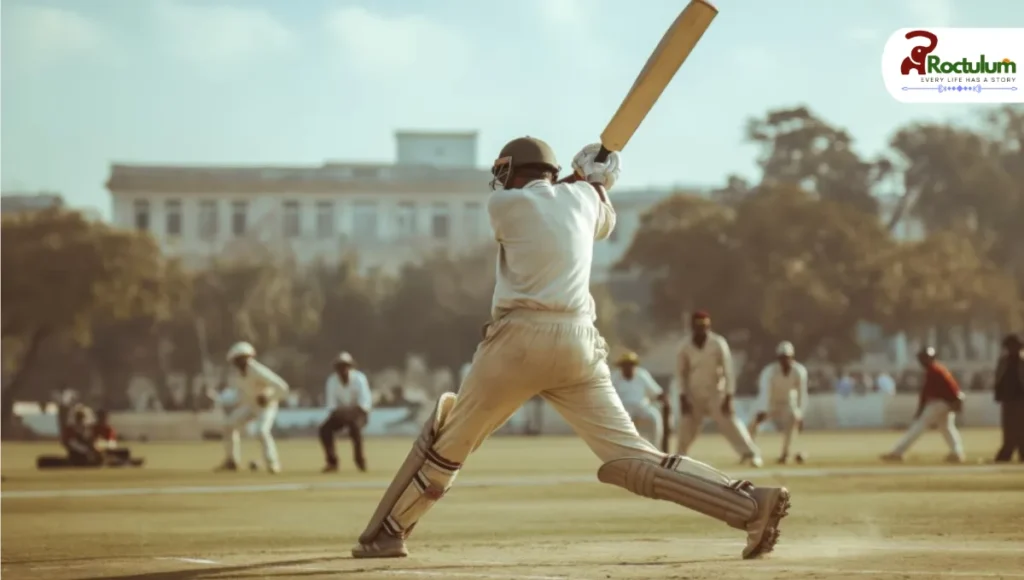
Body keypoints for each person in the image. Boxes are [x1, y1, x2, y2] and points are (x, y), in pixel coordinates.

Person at [349, 138, 789, 561]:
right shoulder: (585, 200)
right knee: (633, 456)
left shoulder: (503, 205)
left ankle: (390, 532)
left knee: (450, 445)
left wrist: (583, 177)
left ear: (511, 172)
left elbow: (543, 205)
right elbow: (597, 216)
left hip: (517, 342)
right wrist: (591, 180)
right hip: (579, 342)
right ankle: (751, 505)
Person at [676, 311, 763, 467]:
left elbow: (728, 371)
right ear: (692, 326)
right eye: (698, 326)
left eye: (704, 326)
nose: (701, 329)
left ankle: (751, 453)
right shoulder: (684, 346)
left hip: (716, 392)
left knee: (729, 423)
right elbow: (680, 374)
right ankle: (679, 458)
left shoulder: (718, 343)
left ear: (709, 326)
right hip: (693, 393)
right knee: (687, 426)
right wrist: (683, 397)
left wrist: (728, 397)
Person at [215, 341, 290, 474]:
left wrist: (268, 397)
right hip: (250, 406)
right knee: (228, 425)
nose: (240, 362)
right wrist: (219, 399)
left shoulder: (258, 371)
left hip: (267, 407)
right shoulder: (238, 375)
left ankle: (273, 463)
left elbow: (282, 388)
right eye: (237, 360)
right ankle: (231, 461)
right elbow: (239, 395)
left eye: (243, 358)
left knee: (261, 431)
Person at [882, 347, 965, 463]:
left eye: (925, 358)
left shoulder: (934, 371)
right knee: (947, 428)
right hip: (946, 403)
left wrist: (919, 411)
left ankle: (897, 452)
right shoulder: (938, 369)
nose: (923, 361)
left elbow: (926, 395)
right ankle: (957, 453)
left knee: (918, 427)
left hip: (940, 403)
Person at [749, 342, 808, 464]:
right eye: (782, 358)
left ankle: (785, 454)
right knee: (752, 424)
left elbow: (802, 394)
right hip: (771, 403)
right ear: (778, 358)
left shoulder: (799, 371)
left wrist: (800, 414)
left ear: (792, 357)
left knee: (793, 419)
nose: (785, 361)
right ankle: (751, 452)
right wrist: (763, 410)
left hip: (788, 402)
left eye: (787, 357)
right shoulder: (769, 371)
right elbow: (765, 392)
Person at [320, 352, 373, 473]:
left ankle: (360, 461)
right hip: (340, 414)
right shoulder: (332, 381)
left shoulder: (359, 378)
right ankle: (332, 462)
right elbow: (331, 405)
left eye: (345, 366)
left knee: (355, 428)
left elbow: (364, 403)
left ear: (350, 366)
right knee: (324, 429)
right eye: (340, 366)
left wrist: (349, 413)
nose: (343, 369)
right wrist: (341, 414)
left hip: (358, 413)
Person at [611, 352, 666, 448]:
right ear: (621, 366)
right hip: (624, 408)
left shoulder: (642, 374)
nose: (628, 367)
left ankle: (655, 448)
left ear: (634, 365)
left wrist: (663, 398)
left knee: (655, 416)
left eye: (630, 364)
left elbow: (656, 392)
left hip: (642, 406)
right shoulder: (615, 377)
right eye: (625, 365)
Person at [993, 333, 1024, 463]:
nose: (1012, 349)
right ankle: (1007, 452)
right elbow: (998, 378)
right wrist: (998, 393)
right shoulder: (1003, 361)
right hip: (1008, 399)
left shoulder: (1022, 361)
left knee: (1021, 427)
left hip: (1021, 399)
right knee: (1008, 428)